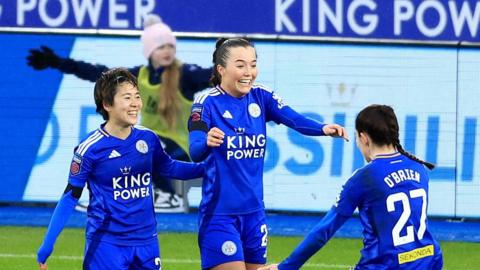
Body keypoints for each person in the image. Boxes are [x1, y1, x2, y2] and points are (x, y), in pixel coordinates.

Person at [188, 38, 349, 270]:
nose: (249, 72)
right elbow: (195, 151)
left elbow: (293, 118)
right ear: (221, 69)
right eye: (241, 65)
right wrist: (206, 142)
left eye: (253, 64)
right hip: (220, 216)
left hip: (255, 215)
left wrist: (322, 129)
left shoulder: (261, 96)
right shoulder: (205, 103)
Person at [26, 15, 211, 212]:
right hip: (151, 145)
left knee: (142, 144)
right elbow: (100, 74)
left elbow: (217, 75)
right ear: (149, 51)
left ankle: (168, 195)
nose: (167, 51)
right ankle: (105, 197)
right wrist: (58, 62)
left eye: (170, 46)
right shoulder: (140, 76)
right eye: (160, 47)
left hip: (181, 147)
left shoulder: (186, 75)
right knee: (116, 148)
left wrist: (233, 57)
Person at [36, 68, 204, 270]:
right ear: (107, 104)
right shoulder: (90, 149)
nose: (135, 104)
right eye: (127, 98)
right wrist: (47, 245)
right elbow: (70, 197)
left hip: (147, 242)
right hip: (107, 244)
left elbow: (170, 168)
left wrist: (209, 168)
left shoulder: (148, 138)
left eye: (137, 96)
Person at [259, 104, 443, 270]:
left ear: (363, 138)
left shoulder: (365, 177)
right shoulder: (418, 168)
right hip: (429, 259)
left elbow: (324, 230)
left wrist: (285, 267)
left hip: (385, 265)